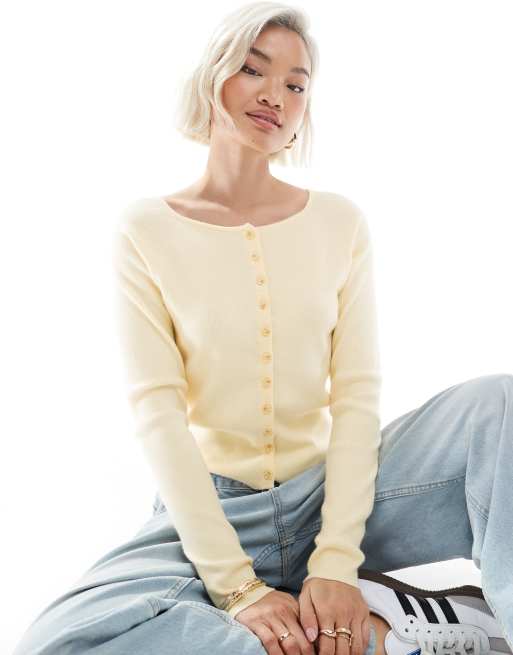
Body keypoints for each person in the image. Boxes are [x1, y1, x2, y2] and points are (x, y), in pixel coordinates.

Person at [12, 2, 513, 655]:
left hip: (337, 495)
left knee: (498, 404)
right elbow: (158, 415)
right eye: (254, 70)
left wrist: (336, 563)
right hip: (213, 514)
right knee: (57, 644)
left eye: (296, 84)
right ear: (213, 75)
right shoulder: (146, 230)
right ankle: (382, 635)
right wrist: (236, 588)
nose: (276, 95)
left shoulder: (338, 223)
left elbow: (356, 399)